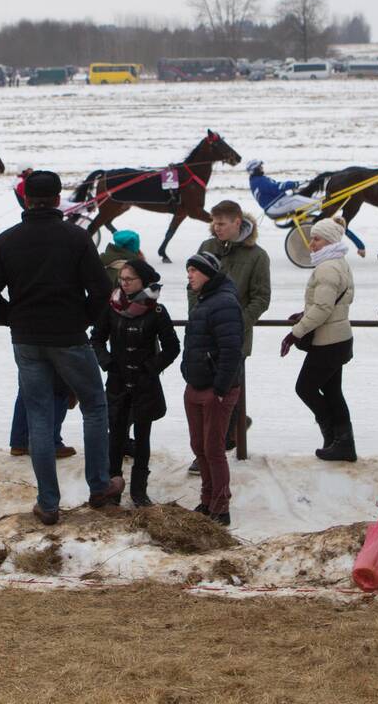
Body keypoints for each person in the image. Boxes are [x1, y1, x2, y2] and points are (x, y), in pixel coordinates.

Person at [0, 170, 122, 525]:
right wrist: (82, 319)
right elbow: (103, 291)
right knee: (94, 406)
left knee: (39, 416)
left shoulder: (5, 241)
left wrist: (14, 317)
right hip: (69, 336)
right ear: (59, 199)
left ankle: (48, 502)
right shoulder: (76, 238)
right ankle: (100, 487)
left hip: (27, 340)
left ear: (26, 199)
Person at [91, 258, 180, 507]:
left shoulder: (157, 311)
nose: (124, 283)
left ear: (143, 281)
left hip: (145, 385)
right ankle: (112, 489)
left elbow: (173, 347)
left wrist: (151, 368)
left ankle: (139, 491)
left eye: (130, 279)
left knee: (142, 439)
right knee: (116, 437)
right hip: (118, 383)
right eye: (122, 279)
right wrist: (107, 363)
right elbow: (96, 338)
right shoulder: (111, 307)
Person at [187, 200, 270, 466]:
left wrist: (236, 324)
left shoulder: (257, 256)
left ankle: (216, 450)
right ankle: (214, 445)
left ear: (238, 222)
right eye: (214, 222)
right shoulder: (207, 247)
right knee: (201, 395)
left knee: (224, 395)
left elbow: (261, 298)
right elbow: (192, 286)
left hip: (235, 341)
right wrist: (199, 315)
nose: (216, 228)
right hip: (202, 342)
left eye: (221, 223)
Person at [281, 217, 357, 462]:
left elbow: (323, 309)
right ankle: (342, 443)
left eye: (316, 238)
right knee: (333, 392)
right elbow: (327, 304)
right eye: (312, 238)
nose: (311, 244)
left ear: (330, 240)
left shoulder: (327, 268)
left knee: (305, 388)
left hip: (328, 342)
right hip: (339, 338)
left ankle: (335, 436)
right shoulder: (338, 263)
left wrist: (295, 332)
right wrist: (305, 313)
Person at [182, 251, 243, 526]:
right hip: (196, 384)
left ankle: (220, 506)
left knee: (213, 448)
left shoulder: (224, 303)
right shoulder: (204, 300)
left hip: (216, 389)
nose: (189, 275)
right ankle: (207, 501)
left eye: (194, 270)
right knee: (199, 446)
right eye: (188, 270)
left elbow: (231, 350)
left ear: (208, 273)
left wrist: (219, 387)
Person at [246, 160, 367, 256]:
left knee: (295, 197)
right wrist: (295, 184)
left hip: (275, 204)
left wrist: (295, 184)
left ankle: (320, 204)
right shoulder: (260, 181)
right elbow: (278, 187)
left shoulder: (257, 180)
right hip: (274, 207)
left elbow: (276, 188)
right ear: (255, 170)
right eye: (260, 167)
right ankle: (321, 205)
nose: (262, 168)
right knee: (295, 200)